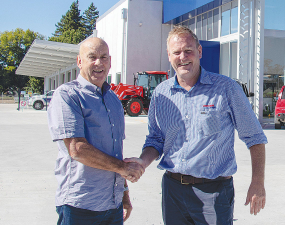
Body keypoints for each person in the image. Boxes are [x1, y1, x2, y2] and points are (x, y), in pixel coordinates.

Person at [125, 25, 267, 224]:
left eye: (188, 50)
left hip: (214, 193)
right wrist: (143, 161)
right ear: (169, 55)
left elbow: (255, 137)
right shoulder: (161, 94)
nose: (183, 57)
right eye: (176, 52)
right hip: (172, 190)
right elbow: (156, 139)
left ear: (199, 51)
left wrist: (257, 183)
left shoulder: (226, 89)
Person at [47, 37, 144, 225]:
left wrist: (124, 194)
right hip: (80, 206)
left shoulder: (113, 100)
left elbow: (116, 151)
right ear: (79, 61)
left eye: (103, 57)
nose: (98, 63)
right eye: (92, 57)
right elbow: (77, 149)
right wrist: (124, 168)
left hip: (112, 205)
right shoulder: (68, 95)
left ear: (110, 61)